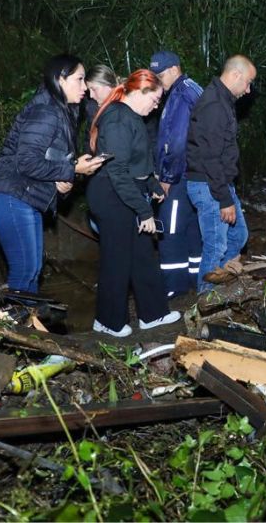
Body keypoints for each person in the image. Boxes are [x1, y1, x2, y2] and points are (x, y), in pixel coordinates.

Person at [0, 54, 105, 294]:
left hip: (24, 197)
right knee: (25, 269)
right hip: (8, 197)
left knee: (32, 269)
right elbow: (26, 162)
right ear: (61, 79)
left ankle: (28, 326)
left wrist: (61, 182)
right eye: (80, 80)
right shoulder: (45, 111)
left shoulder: (58, 110)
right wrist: (71, 169)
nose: (85, 89)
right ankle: (19, 327)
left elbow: (45, 162)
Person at [87, 69, 180, 337]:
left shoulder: (132, 117)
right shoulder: (117, 118)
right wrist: (143, 211)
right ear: (141, 91)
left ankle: (153, 314)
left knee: (141, 256)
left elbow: (136, 163)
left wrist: (151, 185)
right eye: (156, 98)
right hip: (111, 197)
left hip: (127, 192)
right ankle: (107, 321)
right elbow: (117, 172)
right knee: (117, 259)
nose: (157, 104)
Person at [186, 55, 256, 293]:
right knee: (215, 246)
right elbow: (210, 158)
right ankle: (207, 303)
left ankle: (223, 286)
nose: (248, 90)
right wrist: (223, 199)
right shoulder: (215, 105)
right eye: (247, 82)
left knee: (239, 235)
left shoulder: (222, 100)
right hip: (208, 185)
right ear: (236, 75)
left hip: (218, 184)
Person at [149, 50, 204, 297]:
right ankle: (197, 279)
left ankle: (174, 286)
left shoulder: (181, 95)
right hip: (196, 174)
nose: (158, 81)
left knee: (170, 230)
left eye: (160, 75)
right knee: (192, 227)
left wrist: (167, 178)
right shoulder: (193, 88)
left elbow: (178, 142)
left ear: (174, 69)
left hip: (180, 176)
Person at [82, 64, 118, 151]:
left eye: (94, 89)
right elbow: (88, 142)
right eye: (89, 91)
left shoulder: (129, 107)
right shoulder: (93, 108)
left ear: (109, 86)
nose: (91, 95)